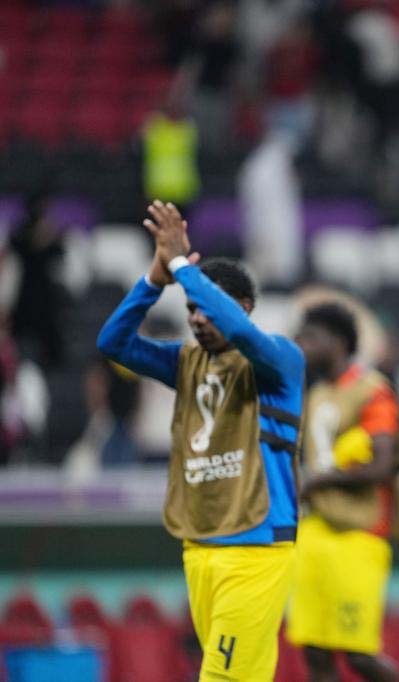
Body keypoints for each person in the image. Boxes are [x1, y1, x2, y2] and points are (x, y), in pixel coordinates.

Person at [97, 200, 304, 681]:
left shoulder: (278, 362)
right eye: (190, 311)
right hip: (201, 543)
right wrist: (155, 279)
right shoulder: (185, 363)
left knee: (222, 677)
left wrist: (183, 269)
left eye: (206, 310)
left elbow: (237, 332)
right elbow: (112, 343)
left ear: (246, 309)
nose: (197, 319)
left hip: (257, 545)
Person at [288, 302, 399, 682]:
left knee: (359, 655)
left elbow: (384, 464)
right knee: (316, 653)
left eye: (310, 337)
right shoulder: (317, 392)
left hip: (359, 534)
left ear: (337, 341)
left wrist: (321, 481)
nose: (301, 345)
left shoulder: (371, 390)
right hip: (316, 530)